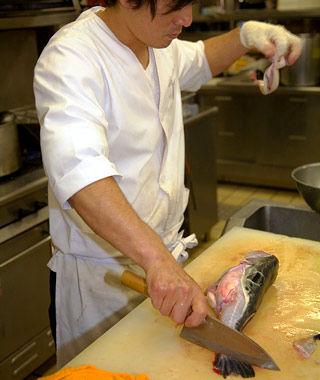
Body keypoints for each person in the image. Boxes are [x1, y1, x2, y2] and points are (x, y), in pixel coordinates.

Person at [33, 0, 301, 368]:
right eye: (175, 5)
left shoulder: (157, 42)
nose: (187, 19)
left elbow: (201, 58)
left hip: (166, 274)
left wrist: (249, 34)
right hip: (104, 285)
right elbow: (82, 177)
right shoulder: (71, 58)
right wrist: (157, 260)